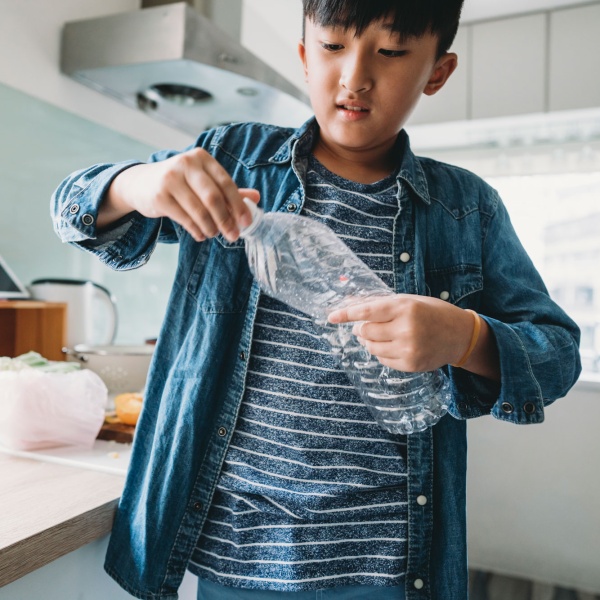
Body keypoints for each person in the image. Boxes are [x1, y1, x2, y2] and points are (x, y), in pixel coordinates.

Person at [51, 0, 581, 599]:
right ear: (304, 56)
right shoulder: (233, 160)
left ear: (437, 71)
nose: (354, 77)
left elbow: (558, 353)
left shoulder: (466, 208)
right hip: (236, 557)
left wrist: (466, 337)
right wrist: (135, 185)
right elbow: (73, 209)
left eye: (391, 52)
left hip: (388, 568)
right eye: (332, 47)